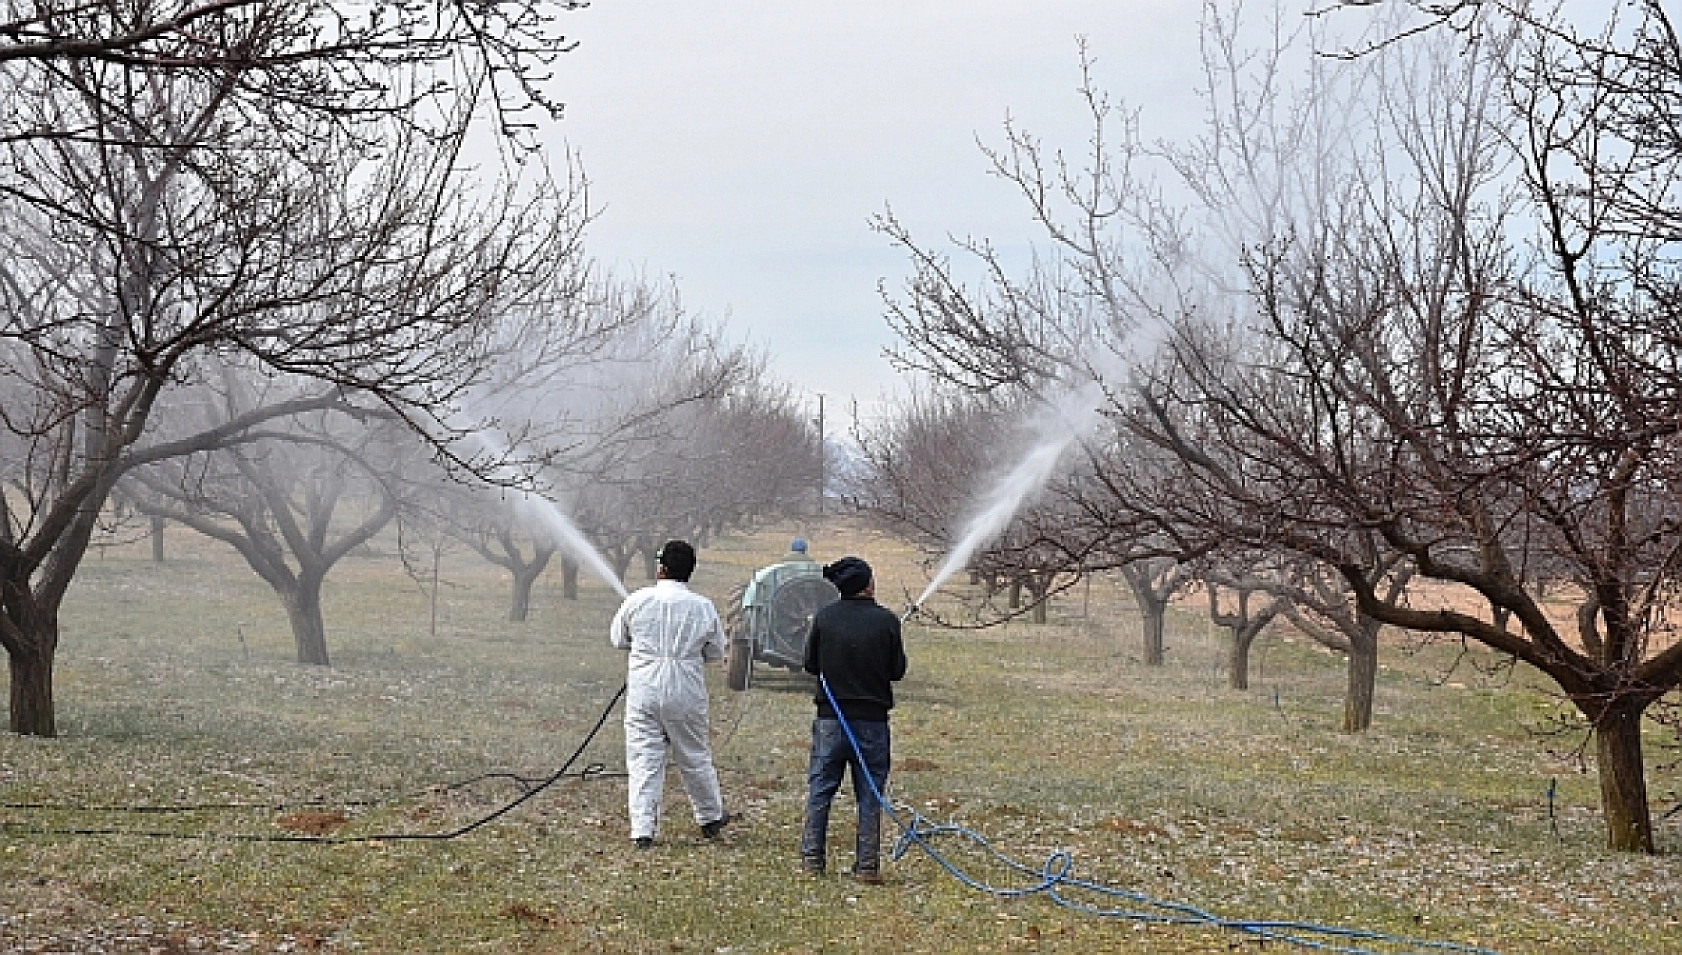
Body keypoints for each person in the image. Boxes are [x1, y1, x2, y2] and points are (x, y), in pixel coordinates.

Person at [608, 539, 730, 849]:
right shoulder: (702, 606)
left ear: (661, 567)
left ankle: (643, 830)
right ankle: (710, 816)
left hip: (644, 688)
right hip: (685, 688)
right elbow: (716, 651)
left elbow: (618, 638)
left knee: (643, 758)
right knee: (694, 754)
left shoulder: (637, 600)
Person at [800, 555, 907, 883]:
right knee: (870, 795)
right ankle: (867, 867)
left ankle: (812, 861)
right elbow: (897, 671)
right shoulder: (887, 621)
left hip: (830, 722)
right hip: (873, 725)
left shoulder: (825, 618)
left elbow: (809, 664)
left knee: (821, 789)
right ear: (867, 584)